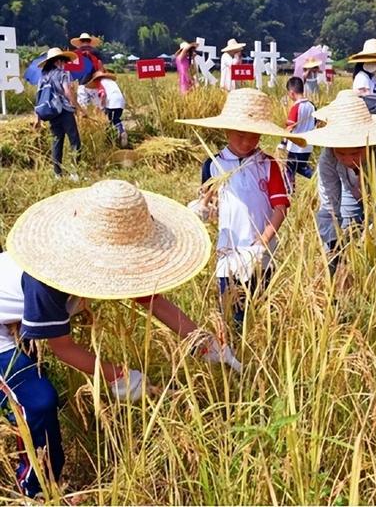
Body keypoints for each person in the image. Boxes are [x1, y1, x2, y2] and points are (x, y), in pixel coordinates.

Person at [0, 179, 239, 499]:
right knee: (38, 401)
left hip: (13, 313)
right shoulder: (45, 279)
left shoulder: (99, 261)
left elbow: (157, 303)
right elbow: (63, 349)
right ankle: (36, 489)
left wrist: (207, 344)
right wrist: (121, 376)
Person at [177, 89, 306, 326]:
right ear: (226, 130)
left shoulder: (267, 164)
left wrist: (263, 241)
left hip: (260, 252)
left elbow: (281, 207)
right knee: (232, 310)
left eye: (254, 136)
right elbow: (210, 203)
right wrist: (203, 208)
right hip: (229, 250)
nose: (247, 142)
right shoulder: (213, 164)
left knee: (261, 307)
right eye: (240, 135)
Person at [300, 90, 376, 264]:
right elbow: (329, 204)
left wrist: (373, 245)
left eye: (355, 152)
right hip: (351, 185)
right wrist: (333, 247)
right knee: (345, 233)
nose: (348, 159)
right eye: (341, 153)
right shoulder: (329, 155)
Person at [33, 47, 83, 179]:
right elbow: (67, 92)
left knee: (57, 141)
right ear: (58, 61)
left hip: (52, 113)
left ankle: (57, 174)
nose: (65, 64)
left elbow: (39, 97)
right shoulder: (62, 74)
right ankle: (75, 172)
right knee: (74, 141)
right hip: (65, 111)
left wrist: (37, 118)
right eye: (64, 61)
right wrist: (78, 108)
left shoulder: (43, 77)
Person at [280, 76, 316, 189]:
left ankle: (290, 192)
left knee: (289, 171)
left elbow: (289, 128)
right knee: (302, 167)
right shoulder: (312, 106)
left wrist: (283, 143)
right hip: (307, 145)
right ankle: (317, 178)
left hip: (295, 146)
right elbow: (316, 122)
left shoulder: (296, 107)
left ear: (291, 93)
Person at [85, 70, 128, 148]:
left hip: (112, 102)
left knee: (108, 121)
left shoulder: (99, 82)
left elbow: (103, 95)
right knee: (116, 119)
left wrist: (102, 105)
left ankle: (111, 138)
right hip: (121, 102)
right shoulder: (111, 82)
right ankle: (120, 134)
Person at [69, 32, 104, 108]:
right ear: (90, 41)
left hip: (82, 84)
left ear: (80, 42)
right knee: (98, 108)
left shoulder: (75, 54)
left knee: (83, 107)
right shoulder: (96, 52)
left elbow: (72, 70)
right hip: (94, 83)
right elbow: (100, 66)